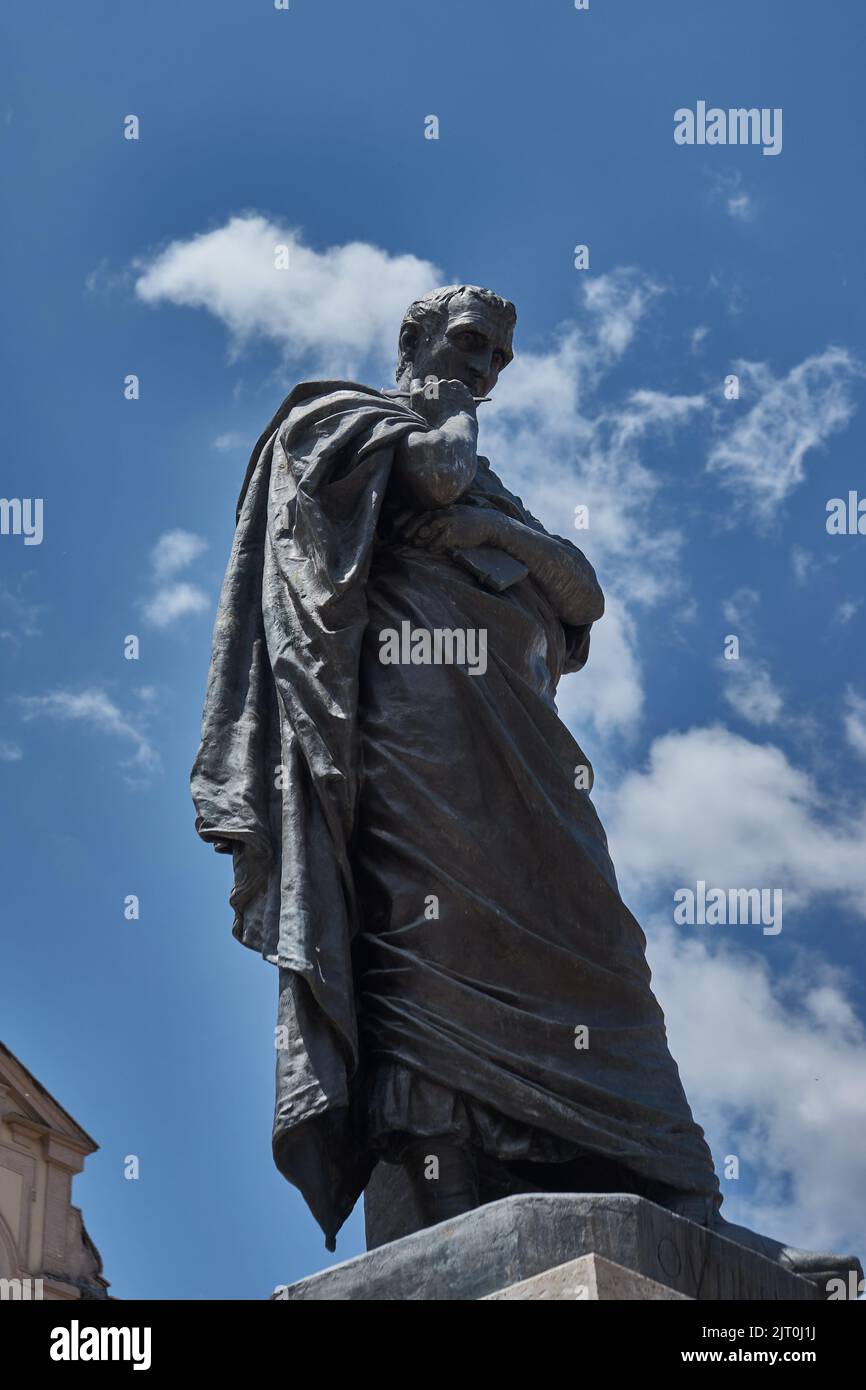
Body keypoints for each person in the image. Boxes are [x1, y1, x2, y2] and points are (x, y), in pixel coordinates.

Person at [193, 285, 860, 1293]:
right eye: (470, 345)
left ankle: (689, 1209)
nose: (487, 370)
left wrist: (494, 539)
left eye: (500, 358)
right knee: (432, 950)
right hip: (415, 751)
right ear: (410, 338)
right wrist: (455, 442)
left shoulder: (492, 492)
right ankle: (442, 1203)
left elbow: (581, 590)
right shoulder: (339, 422)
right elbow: (439, 469)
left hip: (525, 758)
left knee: (603, 956)